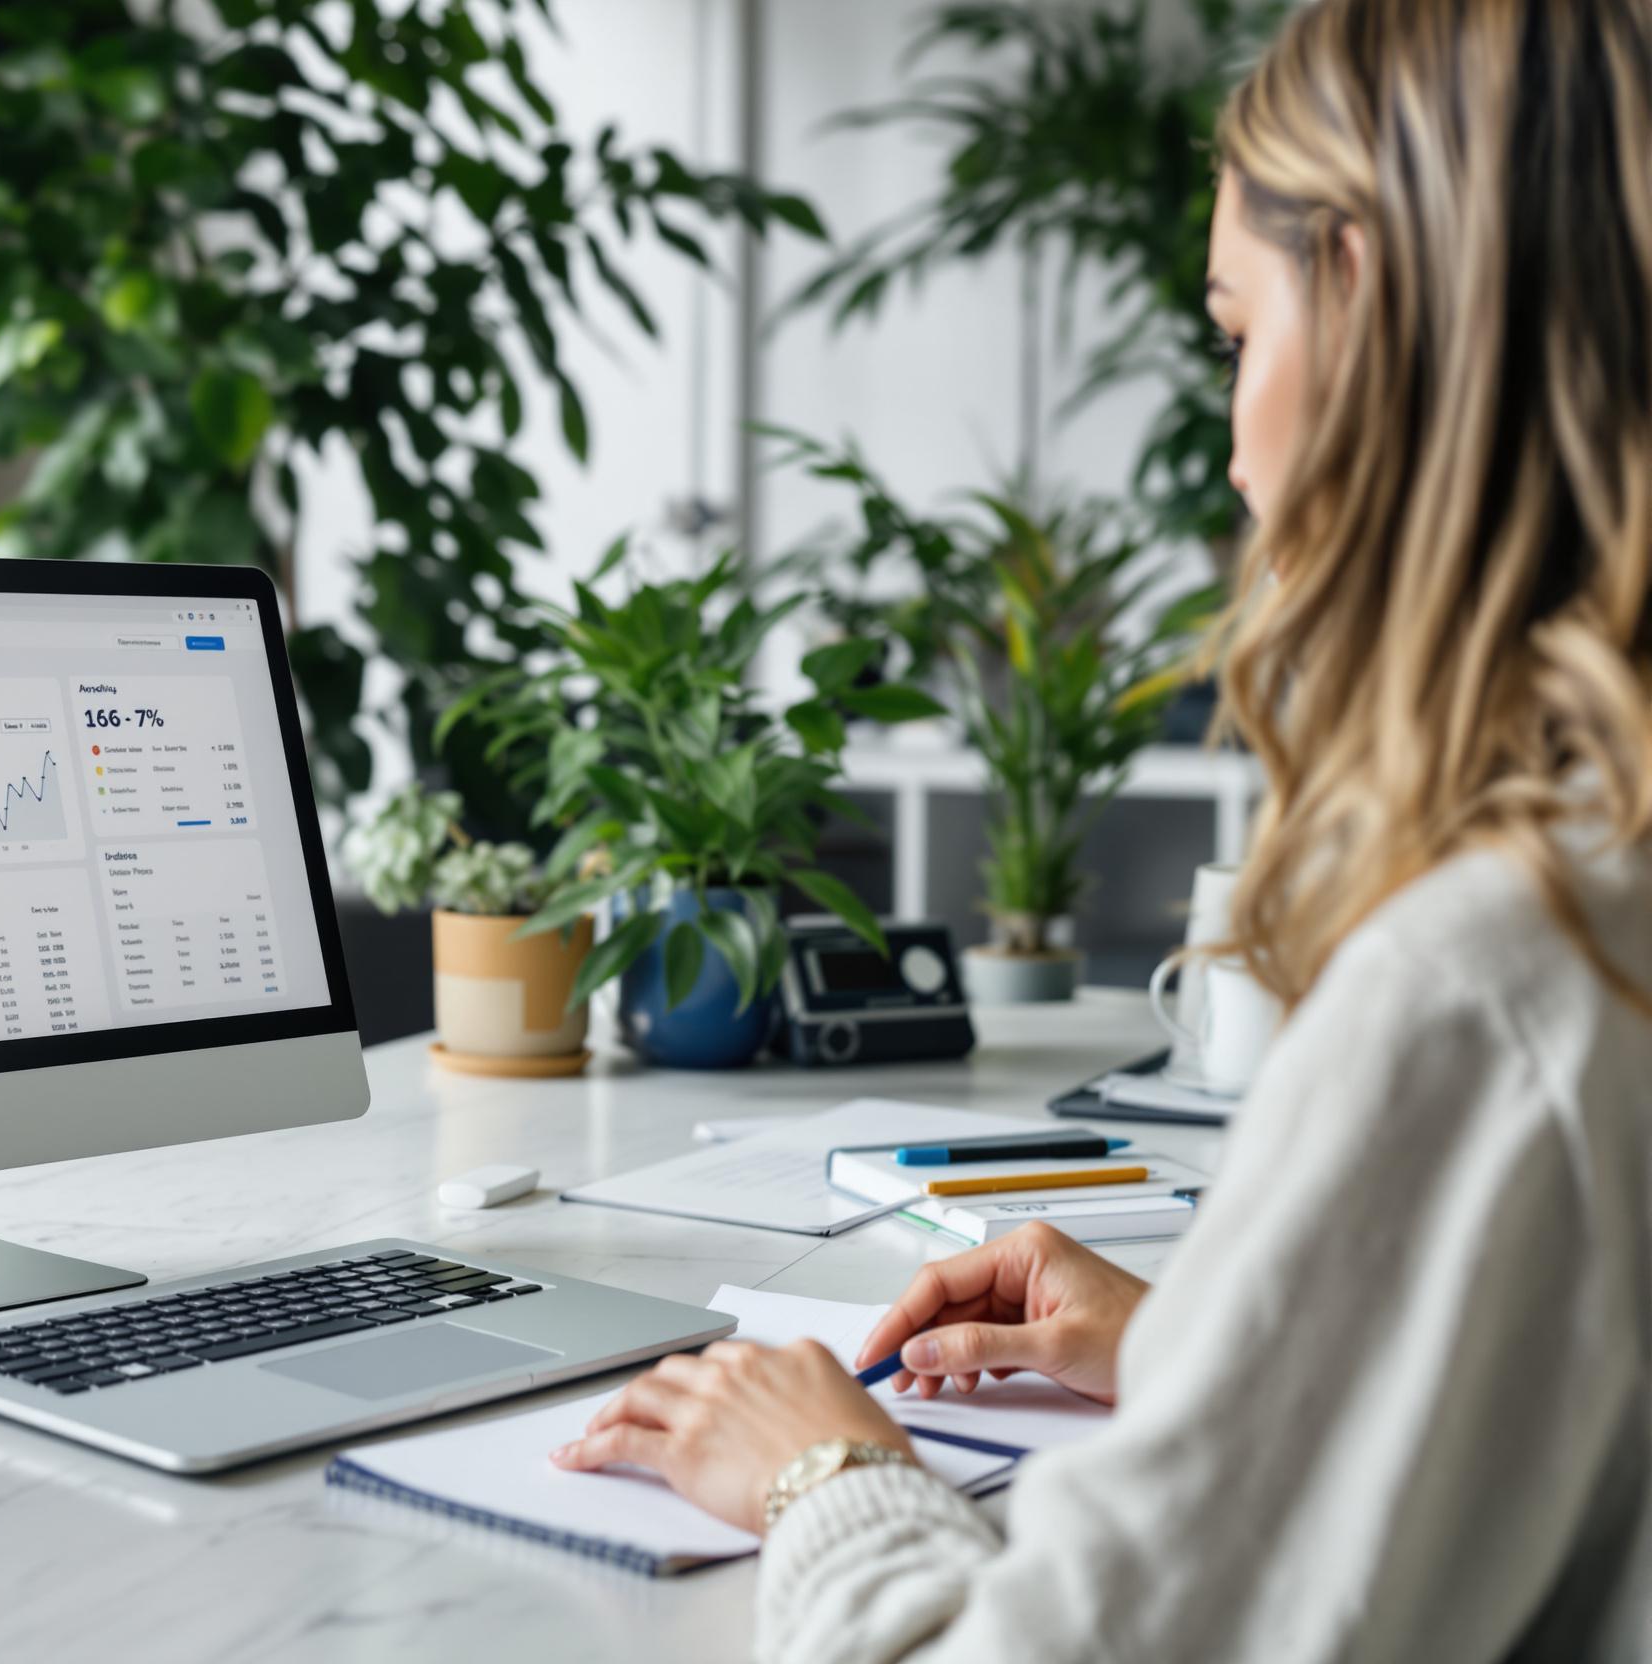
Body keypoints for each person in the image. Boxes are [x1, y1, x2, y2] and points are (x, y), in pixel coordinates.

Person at [549, 1, 1652, 1657]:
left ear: (1367, 309)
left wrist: (825, 1475)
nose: (1236, 452)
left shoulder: (1497, 973)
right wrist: (1220, 1346)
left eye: (1237, 338)